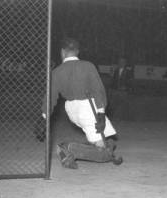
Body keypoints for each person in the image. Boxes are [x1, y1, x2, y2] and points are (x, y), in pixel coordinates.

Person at [42, 38, 122, 169]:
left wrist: (44, 116)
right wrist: (101, 113)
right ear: (78, 52)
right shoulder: (87, 66)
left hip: (71, 109)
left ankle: (100, 145)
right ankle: (67, 148)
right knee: (104, 153)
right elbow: (98, 90)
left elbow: (50, 96)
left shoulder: (56, 72)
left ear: (62, 52)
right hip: (87, 107)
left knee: (105, 140)